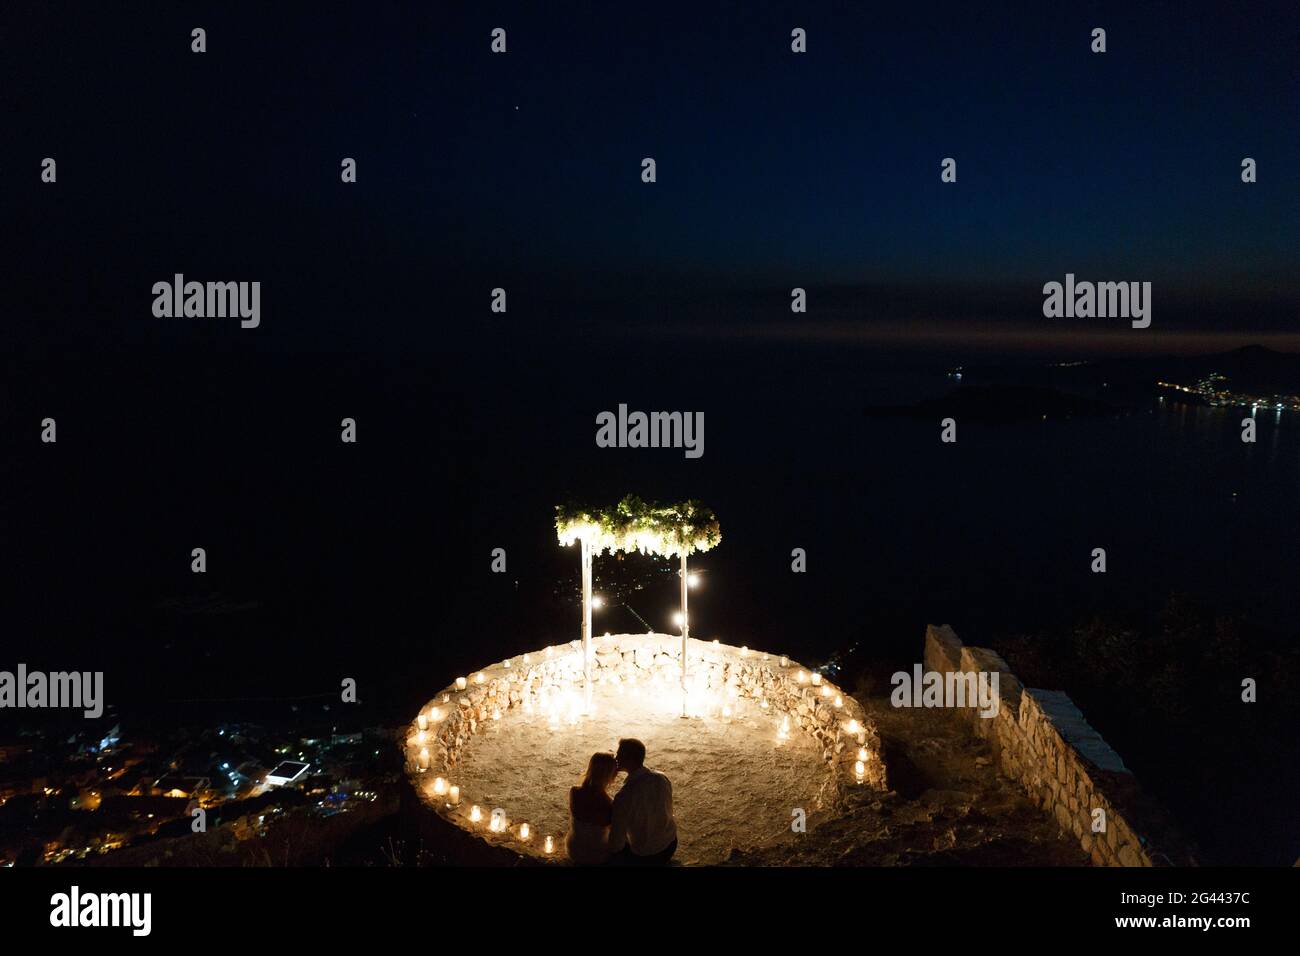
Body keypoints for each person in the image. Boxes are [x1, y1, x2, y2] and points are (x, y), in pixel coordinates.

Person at [608, 738, 677, 865]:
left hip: (646, 856)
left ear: (628, 759)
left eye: (619, 754)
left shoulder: (623, 796)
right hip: (670, 844)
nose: (616, 758)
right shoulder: (661, 777)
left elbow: (615, 845)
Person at [565, 751, 617, 864]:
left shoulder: (574, 792)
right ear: (610, 776)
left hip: (574, 849)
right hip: (597, 854)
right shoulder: (609, 804)